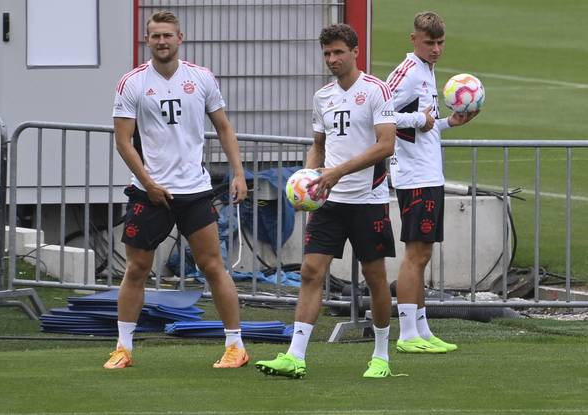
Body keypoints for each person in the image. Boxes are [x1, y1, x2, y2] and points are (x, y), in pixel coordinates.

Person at [105, 11, 249, 369]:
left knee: (213, 266)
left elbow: (225, 128)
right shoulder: (132, 82)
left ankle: (236, 346)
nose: (162, 42)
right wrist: (149, 182)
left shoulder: (201, 78)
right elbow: (123, 142)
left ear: (180, 38)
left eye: (168, 35)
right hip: (149, 192)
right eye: (155, 36)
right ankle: (123, 348)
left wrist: (238, 173)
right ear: (147, 40)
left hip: (195, 191)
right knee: (136, 269)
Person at [255, 23, 399, 379]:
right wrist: (307, 181)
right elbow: (318, 146)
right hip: (329, 203)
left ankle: (381, 356)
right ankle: (295, 355)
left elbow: (386, 145)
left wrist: (336, 173)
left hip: (368, 201)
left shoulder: (377, 91)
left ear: (355, 52)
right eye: (327, 54)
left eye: (338, 52)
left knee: (375, 277)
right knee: (310, 272)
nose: (332, 59)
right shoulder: (322, 97)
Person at [387, 11, 479, 354]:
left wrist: (448, 123)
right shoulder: (409, 72)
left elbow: (424, 127)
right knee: (415, 253)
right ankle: (407, 334)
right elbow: (379, 114)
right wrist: (419, 119)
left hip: (427, 172)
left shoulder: (426, 71)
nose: (436, 49)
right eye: (430, 43)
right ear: (414, 40)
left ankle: (422, 330)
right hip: (414, 176)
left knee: (422, 254)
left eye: (440, 43)